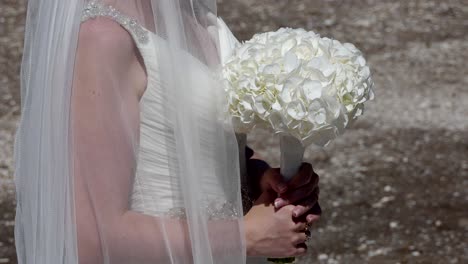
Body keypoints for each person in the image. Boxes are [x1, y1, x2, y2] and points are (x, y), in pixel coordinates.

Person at [14, 0, 320, 263]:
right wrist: (245, 235)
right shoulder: (102, 39)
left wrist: (260, 180)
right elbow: (90, 239)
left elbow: (191, 143)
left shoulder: (195, 15)